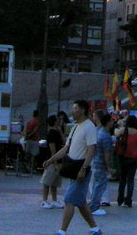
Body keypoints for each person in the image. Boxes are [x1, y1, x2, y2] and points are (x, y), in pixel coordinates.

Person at [42, 99, 102, 235]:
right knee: (80, 202)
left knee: (69, 200)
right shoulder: (75, 127)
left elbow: (91, 150)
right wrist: (51, 159)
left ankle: (62, 231)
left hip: (81, 171)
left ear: (82, 110)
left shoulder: (89, 127)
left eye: (75, 109)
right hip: (74, 170)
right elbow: (66, 148)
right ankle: (95, 229)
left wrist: (84, 168)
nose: (72, 111)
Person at [88, 112, 115, 216]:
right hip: (101, 165)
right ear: (108, 122)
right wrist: (109, 167)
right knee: (99, 187)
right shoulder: (106, 136)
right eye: (111, 121)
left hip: (96, 163)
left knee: (96, 185)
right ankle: (95, 207)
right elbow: (107, 153)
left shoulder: (99, 133)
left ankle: (93, 205)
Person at [116, 113, 137, 208]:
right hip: (134, 157)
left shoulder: (123, 130)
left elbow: (117, 137)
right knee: (131, 180)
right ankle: (128, 200)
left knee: (123, 179)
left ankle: (120, 199)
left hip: (124, 156)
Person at [39, 114, 63, 208]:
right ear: (54, 121)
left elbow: (65, 144)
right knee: (47, 181)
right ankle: (44, 200)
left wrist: (61, 132)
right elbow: (52, 149)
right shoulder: (51, 134)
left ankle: (54, 200)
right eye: (57, 120)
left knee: (55, 182)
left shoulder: (57, 132)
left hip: (59, 159)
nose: (58, 121)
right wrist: (55, 163)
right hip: (52, 161)